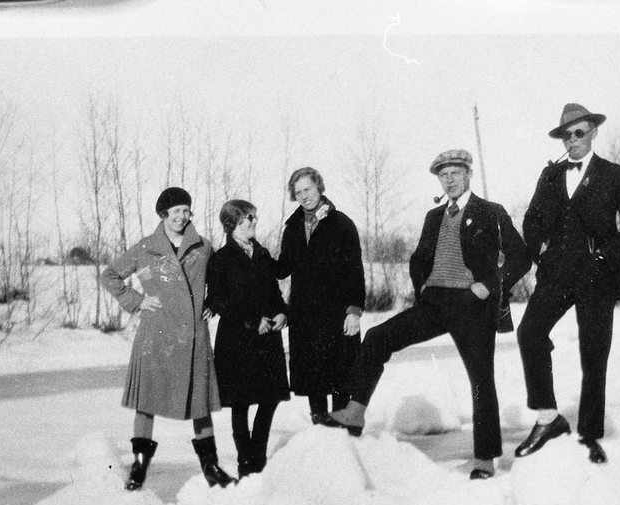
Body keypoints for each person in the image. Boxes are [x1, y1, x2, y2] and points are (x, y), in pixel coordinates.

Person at [320, 149, 530, 480]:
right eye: (443, 176)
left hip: (472, 306)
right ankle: (355, 412)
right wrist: (423, 290)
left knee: (480, 379)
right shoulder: (434, 217)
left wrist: (488, 285)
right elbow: (419, 258)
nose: (449, 181)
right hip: (434, 304)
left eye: (455, 174)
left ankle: (485, 458)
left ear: (468, 175)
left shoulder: (490, 212)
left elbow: (520, 257)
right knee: (378, 337)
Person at [513, 103, 620, 464]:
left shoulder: (614, 175)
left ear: (593, 133)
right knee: (530, 332)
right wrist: (539, 252)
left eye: (580, 132)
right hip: (556, 272)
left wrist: (607, 256)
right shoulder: (550, 176)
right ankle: (547, 419)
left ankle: (590, 435)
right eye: (566, 134)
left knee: (593, 354)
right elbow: (531, 220)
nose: (572, 139)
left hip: (596, 276)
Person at [99, 187, 235, 490]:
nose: (182, 217)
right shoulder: (145, 248)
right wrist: (137, 301)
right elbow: (110, 275)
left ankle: (211, 468)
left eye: (186, 211)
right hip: (156, 334)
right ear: (164, 214)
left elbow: (221, 282)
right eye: (176, 212)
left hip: (193, 335)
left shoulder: (203, 247)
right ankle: (139, 466)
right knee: (146, 400)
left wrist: (214, 304)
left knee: (200, 401)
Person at [271, 167, 366, 420]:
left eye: (307, 189)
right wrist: (255, 255)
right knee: (314, 382)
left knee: (340, 380)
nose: (303, 196)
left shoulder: (342, 224)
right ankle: (319, 435)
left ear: (319, 188)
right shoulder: (292, 227)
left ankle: (341, 437)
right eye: (298, 192)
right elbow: (283, 268)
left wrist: (354, 311)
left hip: (337, 316)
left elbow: (354, 272)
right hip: (305, 317)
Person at [205, 199, 291, 477]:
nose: (254, 222)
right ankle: (246, 462)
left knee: (270, 398)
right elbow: (218, 301)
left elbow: (274, 292)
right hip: (238, 340)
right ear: (232, 225)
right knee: (240, 403)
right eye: (247, 219)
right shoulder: (221, 259)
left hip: (268, 340)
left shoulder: (262, 253)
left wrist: (281, 313)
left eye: (254, 217)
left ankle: (258, 456)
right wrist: (253, 322)